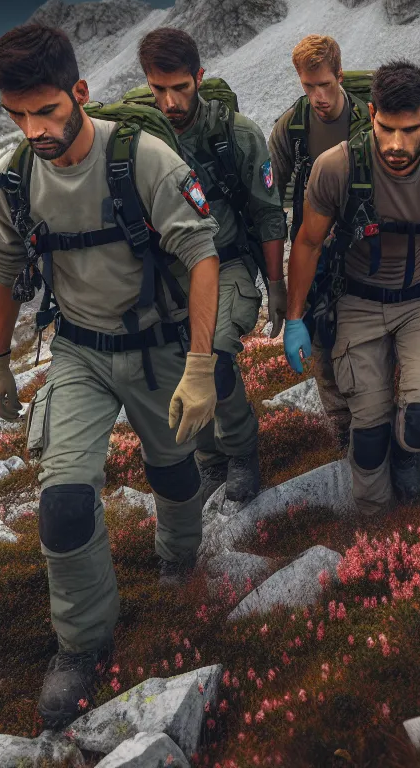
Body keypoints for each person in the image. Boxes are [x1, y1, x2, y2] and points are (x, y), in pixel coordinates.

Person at [0, 24, 220, 727]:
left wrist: (200, 365)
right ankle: (82, 645)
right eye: (18, 117)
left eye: (47, 111)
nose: (34, 130)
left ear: (79, 93)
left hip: (156, 346)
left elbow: (201, 255)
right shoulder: (14, 181)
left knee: (174, 471)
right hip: (78, 353)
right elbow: (4, 270)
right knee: (65, 502)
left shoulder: (143, 161)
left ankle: (179, 557)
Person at [281, 59, 420, 516]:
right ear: (371, 113)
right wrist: (294, 318)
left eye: (410, 130)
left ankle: (408, 452)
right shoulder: (336, 167)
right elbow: (308, 242)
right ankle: (375, 519)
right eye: (385, 128)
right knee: (367, 439)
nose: (397, 144)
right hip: (357, 301)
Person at [136, 27, 286, 502]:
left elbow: (266, 212)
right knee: (176, 367)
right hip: (168, 274)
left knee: (216, 360)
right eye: (159, 88)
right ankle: (208, 458)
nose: (170, 100)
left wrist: (277, 287)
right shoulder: (136, 138)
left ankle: (242, 450)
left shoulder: (235, 134)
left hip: (227, 264)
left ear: (198, 77)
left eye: (180, 87)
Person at [268, 35, 370, 445]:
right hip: (312, 251)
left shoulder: (369, 121)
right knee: (322, 344)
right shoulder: (290, 128)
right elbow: (268, 204)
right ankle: (344, 432)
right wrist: (276, 283)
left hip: (365, 248)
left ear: (340, 76)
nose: (317, 96)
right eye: (308, 87)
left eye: (324, 85)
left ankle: (375, 417)